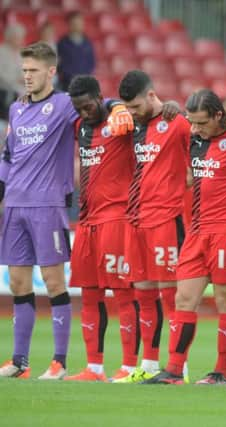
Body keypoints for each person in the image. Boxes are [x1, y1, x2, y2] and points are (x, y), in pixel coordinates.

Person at [0, 42, 133, 380]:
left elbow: (98, 104)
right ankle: (20, 362)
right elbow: (7, 157)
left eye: (33, 71)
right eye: (24, 70)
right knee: (18, 282)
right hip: (14, 205)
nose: (27, 76)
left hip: (47, 204)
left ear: (50, 72)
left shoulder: (64, 106)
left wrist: (118, 106)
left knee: (54, 281)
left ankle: (59, 361)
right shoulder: (16, 109)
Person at [142, 89, 226, 385]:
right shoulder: (194, 139)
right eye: (192, 123)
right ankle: (173, 369)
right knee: (184, 298)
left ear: (219, 116)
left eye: (201, 123)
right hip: (196, 231)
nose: (195, 129)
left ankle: (221, 372)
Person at [113, 70, 190, 383]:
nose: (130, 112)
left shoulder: (178, 122)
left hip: (167, 220)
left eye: (134, 106)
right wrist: (118, 110)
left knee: (171, 296)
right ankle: (150, 364)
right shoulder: (131, 126)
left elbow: (207, 145)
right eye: (126, 107)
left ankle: (178, 367)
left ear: (151, 95)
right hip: (136, 221)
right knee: (143, 294)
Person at [62, 75, 139, 382]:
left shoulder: (120, 121)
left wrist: (118, 105)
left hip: (117, 219)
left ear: (99, 97)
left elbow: (140, 116)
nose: (85, 112)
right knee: (89, 294)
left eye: (89, 105)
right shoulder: (81, 127)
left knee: (123, 292)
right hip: (87, 221)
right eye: (79, 108)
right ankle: (94, 367)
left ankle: (130, 365)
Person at [57, 11, 95, 91]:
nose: (77, 26)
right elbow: (60, 64)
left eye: (79, 23)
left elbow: (91, 62)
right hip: (68, 85)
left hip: (85, 84)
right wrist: (71, 77)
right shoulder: (62, 43)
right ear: (69, 25)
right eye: (74, 23)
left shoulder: (87, 43)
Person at [0, 23, 26, 122]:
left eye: (21, 37)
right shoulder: (1, 52)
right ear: (9, 38)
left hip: (20, 85)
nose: (21, 40)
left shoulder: (21, 53)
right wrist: (16, 80)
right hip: (6, 86)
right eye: (18, 38)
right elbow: (1, 75)